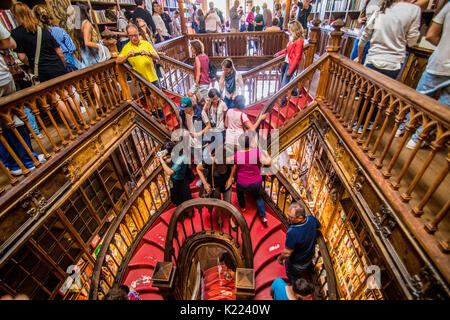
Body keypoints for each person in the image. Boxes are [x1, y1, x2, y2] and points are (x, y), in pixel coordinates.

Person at [354, 0, 421, 133]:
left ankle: (359, 123)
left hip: (372, 59)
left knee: (365, 93)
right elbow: (412, 41)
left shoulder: (381, 9)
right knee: (381, 96)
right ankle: (370, 122)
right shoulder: (413, 10)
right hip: (394, 63)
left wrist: (360, 58)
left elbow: (363, 38)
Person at [11, 2, 78, 130]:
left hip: (42, 70)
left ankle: (72, 123)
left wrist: (32, 64)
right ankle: (80, 117)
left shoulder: (16, 34)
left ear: (16, 16)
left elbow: (21, 57)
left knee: (56, 97)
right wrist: (62, 65)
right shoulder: (42, 30)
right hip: (58, 65)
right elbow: (59, 51)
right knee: (69, 93)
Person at [397, 1, 450, 149]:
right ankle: (417, 139)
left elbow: (431, 35)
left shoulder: (447, 6)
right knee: (443, 108)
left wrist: (445, 45)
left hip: (439, 62)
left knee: (420, 100)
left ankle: (403, 128)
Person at [0, 22, 46, 176]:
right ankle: (27, 160)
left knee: (6, 124)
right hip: (3, 82)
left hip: (4, 81)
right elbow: (10, 42)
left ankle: (14, 163)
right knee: (14, 118)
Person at [227, 132, 271, 224]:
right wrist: (266, 153)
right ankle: (263, 217)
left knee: (239, 192)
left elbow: (235, 168)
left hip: (242, 182)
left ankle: (242, 206)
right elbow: (268, 163)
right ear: (250, 142)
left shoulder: (237, 155)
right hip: (256, 182)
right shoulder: (256, 152)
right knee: (258, 197)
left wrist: (232, 178)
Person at [277, 202, 321, 283]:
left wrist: (280, 258)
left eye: (291, 217)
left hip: (298, 262)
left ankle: (295, 285)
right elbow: (319, 226)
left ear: (300, 218)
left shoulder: (292, 232)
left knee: (291, 273)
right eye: (288, 215)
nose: (288, 218)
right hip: (309, 255)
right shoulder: (311, 219)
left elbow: (287, 253)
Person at [33, 4, 84, 72]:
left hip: (54, 65)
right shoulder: (59, 30)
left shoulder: (38, 35)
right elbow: (71, 48)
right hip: (69, 58)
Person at [197, 145, 236, 229]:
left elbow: (233, 166)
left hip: (226, 184)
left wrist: (230, 179)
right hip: (215, 186)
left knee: (228, 203)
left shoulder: (228, 159)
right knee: (217, 204)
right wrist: (205, 183)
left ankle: (229, 219)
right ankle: (219, 217)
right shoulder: (210, 161)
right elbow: (198, 168)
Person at [117, 24, 160, 88]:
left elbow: (157, 57)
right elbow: (118, 61)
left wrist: (148, 54)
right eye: (131, 36)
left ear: (138, 33)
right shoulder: (126, 47)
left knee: (159, 96)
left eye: (135, 35)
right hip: (141, 80)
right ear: (128, 36)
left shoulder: (146, 43)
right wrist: (127, 56)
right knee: (148, 97)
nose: (134, 38)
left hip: (153, 77)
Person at [274, 20, 305, 104]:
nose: (289, 30)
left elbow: (297, 56)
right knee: (282, 80)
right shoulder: (292, 38)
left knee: (284, 84)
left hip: (291, 64)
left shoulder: (299, 41)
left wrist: (290, 70)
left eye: (290, 28)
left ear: (294, 29)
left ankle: (283, 102)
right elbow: (287, 50)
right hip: (286, 62)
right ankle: (295, 91)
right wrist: (278, 53)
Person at [158, 140, 192, 206]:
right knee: (177, 201)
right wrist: (164, 159)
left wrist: (161, 160)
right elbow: (170, 160)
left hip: (181, 183)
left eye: (168, 154)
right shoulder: (177, 155)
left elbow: (169, 172)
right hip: (175, 181)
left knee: (185, 202)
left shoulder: (181, 159)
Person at [178, 96, 211, 161]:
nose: (184, 110)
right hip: (192, 142)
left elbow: (208, 126)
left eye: (186, 108)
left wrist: (197, 134)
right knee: (198, 160)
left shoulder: (200, 112)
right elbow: (184, 125)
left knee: (205, 161)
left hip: (202, 141)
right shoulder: (182, 113)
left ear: (191, 106)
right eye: (183, 109)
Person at [349, 0, 382, 64]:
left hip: (373, 41)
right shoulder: (368, 1)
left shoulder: (386, 2)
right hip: (360, 38)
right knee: (352, 64)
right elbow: (360, 17)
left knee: (364, 68)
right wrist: (360, 20)